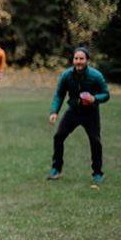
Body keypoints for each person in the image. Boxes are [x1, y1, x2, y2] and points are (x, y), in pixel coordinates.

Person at [47, 46, 110, 185]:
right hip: (73, 112)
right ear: (73, 60)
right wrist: (54, 112)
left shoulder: (96, 75)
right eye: (76, 58)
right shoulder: (66, 75)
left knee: (95, 142)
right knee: (58, 137)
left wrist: (95, 98)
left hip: (91, 114)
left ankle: (98, 173)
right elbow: (59, 94)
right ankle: (56, 169)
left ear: (87, 60)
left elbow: (106, 94)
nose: (78, 61)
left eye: (81, 58)